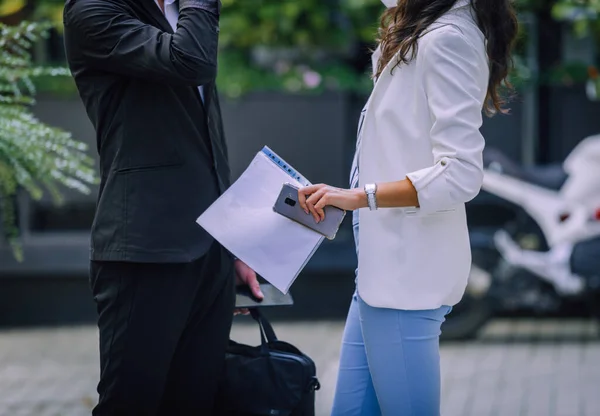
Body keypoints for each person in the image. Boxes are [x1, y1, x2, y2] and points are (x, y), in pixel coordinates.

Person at [298, 0, 518, 414]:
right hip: (381, 276)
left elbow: (461, 172)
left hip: (406, 281)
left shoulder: (447, 38)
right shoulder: (429, 30)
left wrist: (362, 196)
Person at [63, 0, 263, 414]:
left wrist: (232, 239)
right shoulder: (94, 10)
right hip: (144, 249)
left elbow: (207, 139)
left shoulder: (186, 13)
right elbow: (189, 61)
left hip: (210, 251)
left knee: (195, 402)